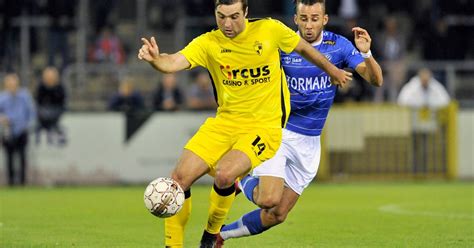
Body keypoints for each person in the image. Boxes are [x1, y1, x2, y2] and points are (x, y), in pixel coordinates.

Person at [137, 0, 352, 247]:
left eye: (234, 16)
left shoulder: (270, 30)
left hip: (263, 127)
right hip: (224, 122)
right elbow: (172, 62)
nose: (228, 24)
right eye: (222, 17)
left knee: (226, 175)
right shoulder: (208, 43)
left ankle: (210, 235)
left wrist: (332, 71)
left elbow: (304, 48)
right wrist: (155, 59)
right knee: (178, 178)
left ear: (246, 13)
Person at [218, 0, 383, 245]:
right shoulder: (283, 45)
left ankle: (220, 235)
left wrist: (366, 53)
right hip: (279, 133)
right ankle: (241, 181)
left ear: (325, 19)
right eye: (303, 18)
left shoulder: (338, 46)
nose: (309, 25)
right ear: (295, 19)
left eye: (314, 18)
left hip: (310, 142)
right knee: (268, 199)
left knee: (278, 214)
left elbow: (375, 80)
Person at [397, 68, 450, 174]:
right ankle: (414, 170)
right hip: (414, 123)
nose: (425, 82)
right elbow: (402, 100)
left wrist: (430, 105)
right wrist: (420, 105)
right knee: (414, 148)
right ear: (420, 78)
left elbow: (445, 101)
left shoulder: (435, 87)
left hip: (430, 123)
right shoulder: (412, 87)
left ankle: (426, 170)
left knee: (428, 149)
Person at [0, 73, 36, 186]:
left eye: (13, 82)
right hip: (7, 130)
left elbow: (31, 113)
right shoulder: (2, 98)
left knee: (22, 156)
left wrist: (28, 125)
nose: (12, 85)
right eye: (9, 83)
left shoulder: (25, 96)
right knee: (9, 157)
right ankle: (10, 182)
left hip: (22, 129)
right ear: (5, 85)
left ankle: (22, 182)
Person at [35, 66, 67, 146]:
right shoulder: (41, 87)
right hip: (43, 112)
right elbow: (38, 102)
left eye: (51, 76)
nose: (49, 78)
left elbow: (61, 103)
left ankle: (53, 132)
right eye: (47, 76)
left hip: (56, 111)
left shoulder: (60, 88)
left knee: (49, 114)